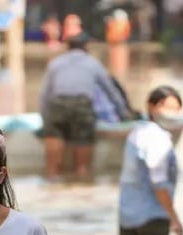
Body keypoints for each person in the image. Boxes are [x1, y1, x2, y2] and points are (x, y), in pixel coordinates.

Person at [118, 85, 183, 235]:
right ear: (152, 107)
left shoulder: (136, 132)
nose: (173, 113)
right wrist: (174, 218)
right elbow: (158, 182)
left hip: (127, 216)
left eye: (176, 109)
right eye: (167, 107)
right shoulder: (158, 139)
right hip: (152, 216)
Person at [39, 32, 130, 181]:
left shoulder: (55, 63)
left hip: (57, 106)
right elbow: (110, 91)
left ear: (68, 47)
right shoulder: (93, 63)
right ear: (86, 47)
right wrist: (123, 113)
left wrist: (44, 119)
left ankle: (52, 183)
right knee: (83, 169)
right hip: (81, 106)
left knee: (52, 169)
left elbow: (44, 94)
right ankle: (82, 188)